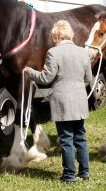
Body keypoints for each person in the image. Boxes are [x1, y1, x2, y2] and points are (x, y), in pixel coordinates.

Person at [24, 20, 92, 183]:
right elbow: (88, 79)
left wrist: (30, 71)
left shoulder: (53, 53)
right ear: (70, 34)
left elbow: (46, 78)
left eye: (54, 36)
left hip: (62, 102)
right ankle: (84, 172)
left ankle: (69, 175)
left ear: (57, 36)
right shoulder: (83, 52)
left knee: (66, 138)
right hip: (79, 100)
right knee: (80, 137)